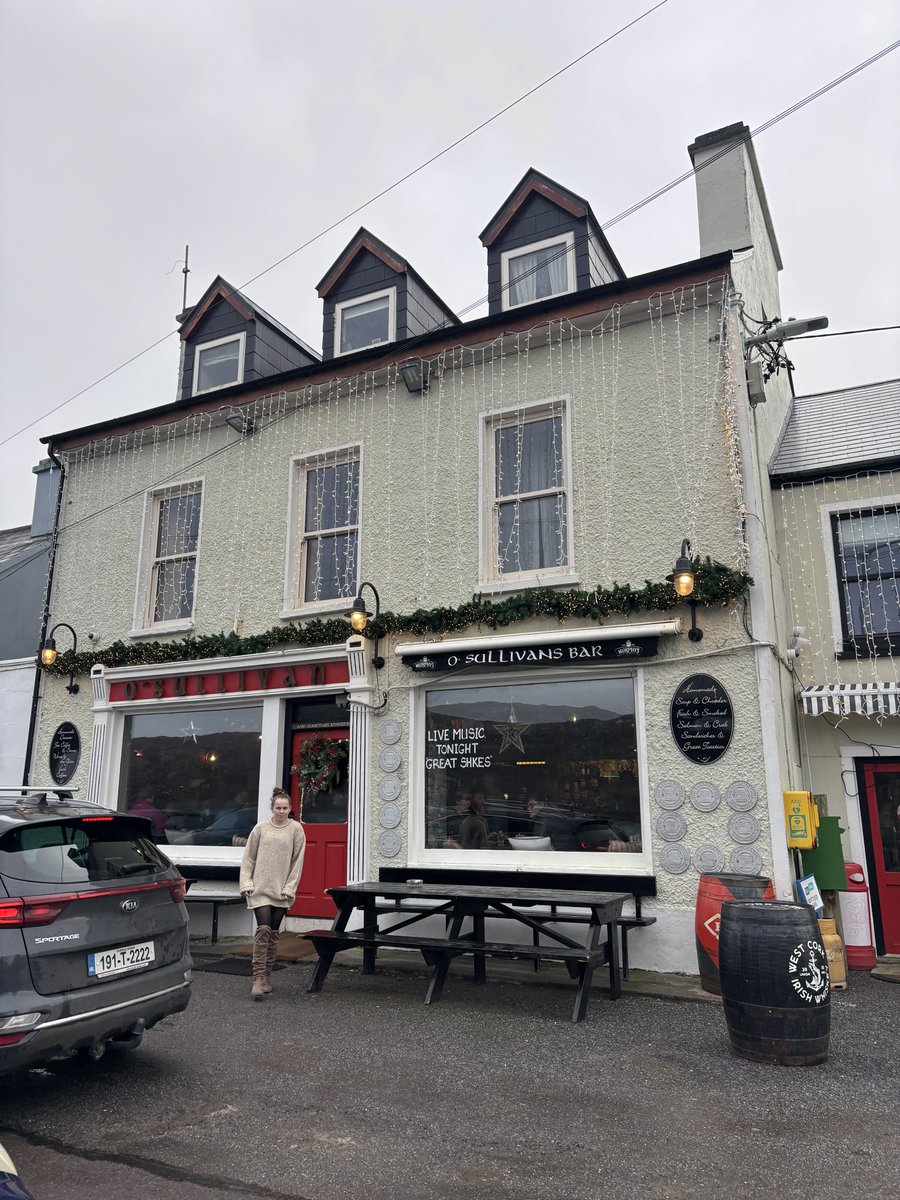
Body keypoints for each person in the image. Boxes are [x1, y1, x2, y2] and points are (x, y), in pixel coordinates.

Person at [239, 787, 306, 1000]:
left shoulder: (296, 830)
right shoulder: (260, 829)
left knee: (274, 933)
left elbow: (298, 862)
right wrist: (246, 883)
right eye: (278, 807)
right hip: (259, 888)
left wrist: (290, 887)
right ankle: (257, 979)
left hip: (281, 890)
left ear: (290, 809)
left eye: (285, 808)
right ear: (271, 808)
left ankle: (267, 977)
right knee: (264, 929)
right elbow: (248, 858)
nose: (281, 811)